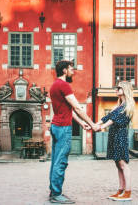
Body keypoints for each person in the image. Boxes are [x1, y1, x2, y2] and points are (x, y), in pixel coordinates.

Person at [49, 60, 99, 204]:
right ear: (64, 70)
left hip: (56, 126)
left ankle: (53, 190)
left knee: (55, 161)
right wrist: (92, 124)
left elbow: (68, 109)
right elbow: (77, 107)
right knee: (61, 162)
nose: (73, 71)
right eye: (71, 68)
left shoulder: (54, 85)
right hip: (63, 128)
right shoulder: (64, 85)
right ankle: (56, 194)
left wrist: (81, 123)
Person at [96, 81, 135, 202]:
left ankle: (127, 192)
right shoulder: (119, 105)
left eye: (119, 88)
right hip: (114, 135)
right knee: (118, 164)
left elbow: (113, 120)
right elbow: (107, 117)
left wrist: (101, 127)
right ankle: (121, 190)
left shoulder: (127, 105)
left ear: (125, 90)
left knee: (123, 164)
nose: (116, 90)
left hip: (120, 135)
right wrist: (94, 124)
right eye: (116, 88)